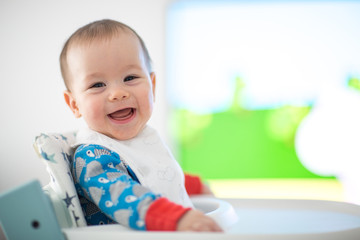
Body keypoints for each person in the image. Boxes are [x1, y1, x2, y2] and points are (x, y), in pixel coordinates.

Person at [61, 19, 222, 232]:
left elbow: (154, 172)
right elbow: (125, 196)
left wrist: (193, 186)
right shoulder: (92, 157)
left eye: (130, 77)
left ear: (152, 86)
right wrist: (177, 218)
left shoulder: (138, 140)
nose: (118, 93)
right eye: (97, 85)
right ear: (75, 104)